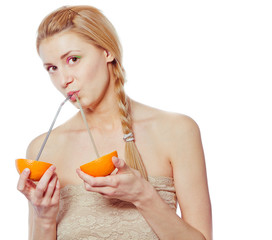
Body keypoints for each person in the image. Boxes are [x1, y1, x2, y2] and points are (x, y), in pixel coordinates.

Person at [17, 5, 212, 240]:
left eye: (73, 59)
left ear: (107, 51)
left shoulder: (177, 131)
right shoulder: (44, 149)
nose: (63, 79)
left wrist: (143, 196)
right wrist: (44, 217)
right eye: (52, 68)